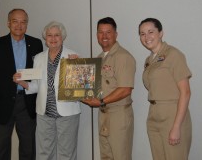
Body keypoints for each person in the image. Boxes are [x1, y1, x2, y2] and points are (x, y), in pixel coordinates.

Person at [13, 21, 81, 160]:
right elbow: (36, 87)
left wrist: (78, 67)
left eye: (57, 35)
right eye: (49, 35)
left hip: (67, 113)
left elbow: (79, 88)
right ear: (45, 38)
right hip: (44, 113)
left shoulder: (73, 56)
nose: (53, 38)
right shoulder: (38, 58)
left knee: (66, 154)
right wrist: (23, 83)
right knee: (44, 153)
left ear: (62, 38)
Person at [0, 8, 43, 160]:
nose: (19, 25)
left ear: (27, 25)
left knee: (28, 147)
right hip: (2, 103)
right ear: (8, 23)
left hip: (27, 102)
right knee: (1, 146)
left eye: (23, 22)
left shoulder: (36, 44)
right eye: (15, 21)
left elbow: (42, 72)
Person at [82, 17, 136, 160]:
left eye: (108, 32)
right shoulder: (100, 58)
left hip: (119, 115)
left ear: (116, 35)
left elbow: (125, 89)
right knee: (106, 156)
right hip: (104, 114)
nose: (104, 36)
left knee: (120, 156)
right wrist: (76, 66)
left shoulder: (123, 57)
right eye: (100, 32)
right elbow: (91, 85)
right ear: (97, 35)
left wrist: (100, 101)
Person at [138, 18, 192, 160]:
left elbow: (185, 92)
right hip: (154, 114)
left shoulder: (174, 55)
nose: (146, 37)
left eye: (151, 32)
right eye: (142, 34)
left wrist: (176, 127)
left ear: (161, 33)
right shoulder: (149, 61)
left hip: (172, 115)